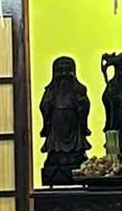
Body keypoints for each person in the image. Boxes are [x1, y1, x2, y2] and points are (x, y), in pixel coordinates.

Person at [38, 55, 91, 184]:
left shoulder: (78, 90)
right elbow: (43, 105)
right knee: (56, 146)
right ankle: (57, 155)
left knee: (76, 146)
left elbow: (85, 105)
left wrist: (81, 104)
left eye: (67, 70)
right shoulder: (51, 91)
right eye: (60, 71)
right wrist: (48, 105)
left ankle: (75, 154)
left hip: (74, 121)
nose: (63, 74)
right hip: (56, 122)